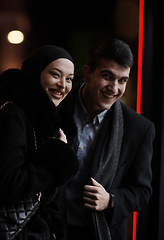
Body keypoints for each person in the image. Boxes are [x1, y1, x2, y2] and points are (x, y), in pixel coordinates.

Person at [0, 45, 79, 240]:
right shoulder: (13, 115)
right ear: (36, 73)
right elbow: (7, 186)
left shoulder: (46, 124)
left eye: (69, 79)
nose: (63, 85)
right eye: (56, 75)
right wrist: (55, 157)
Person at [59, 38, 155, 240]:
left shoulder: (138, 129)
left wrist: (111, 200)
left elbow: (142, 191)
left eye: (122, 80)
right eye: (107, 76)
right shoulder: (56, 108)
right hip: (48, 227)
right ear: (87, 73)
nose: (114, 88)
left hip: (96, 233)